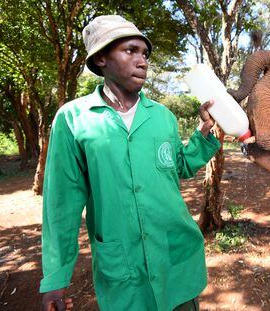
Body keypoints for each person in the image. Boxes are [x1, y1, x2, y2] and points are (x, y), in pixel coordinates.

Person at [40, 15, 220, 311]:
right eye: (130, 51)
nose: (143, 61)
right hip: (123, 271)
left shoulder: (163, 116)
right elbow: (61, 203)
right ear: (101, 58)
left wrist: (202, 133)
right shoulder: (74, 119)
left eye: (145, 53)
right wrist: (55, 278)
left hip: (176, 258)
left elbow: (179, 167)